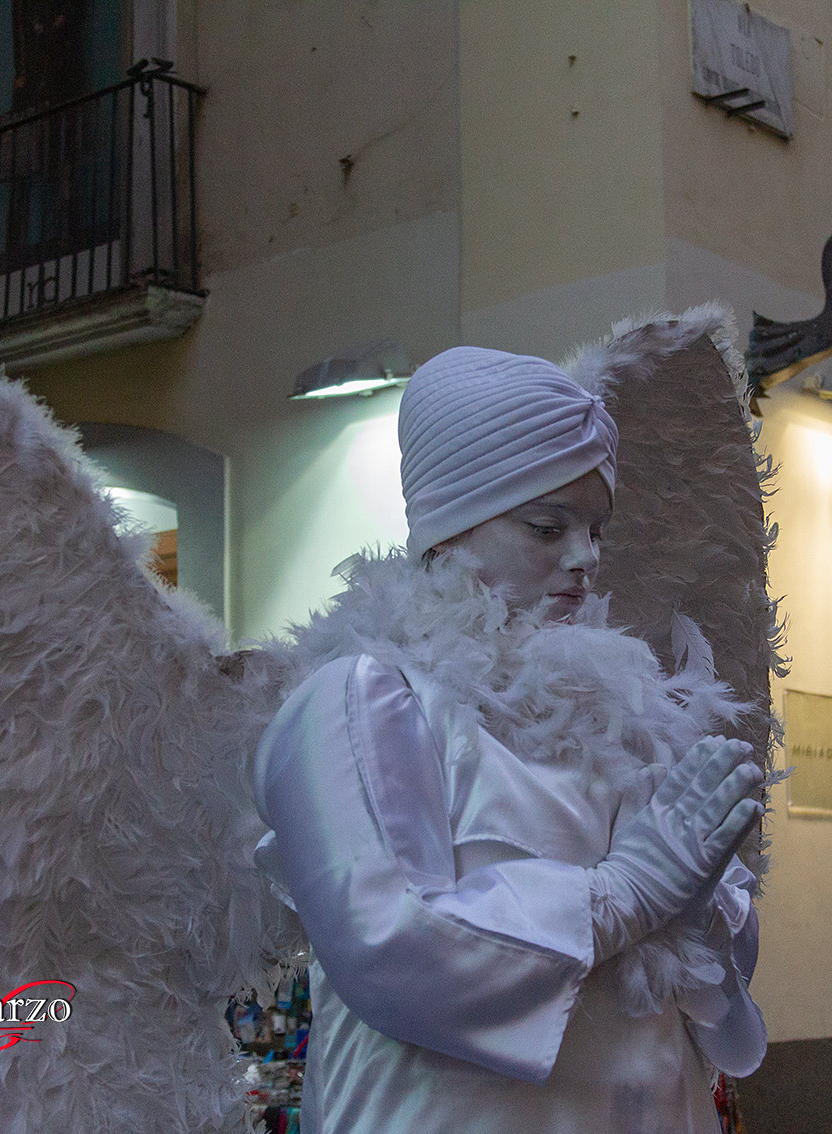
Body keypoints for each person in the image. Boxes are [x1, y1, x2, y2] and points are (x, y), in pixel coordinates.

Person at [252, 346, 768, 1134]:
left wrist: (703, 910)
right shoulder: (363, 701)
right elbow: (389, 943)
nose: (584, 559)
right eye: (545, 526)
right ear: (450, 530)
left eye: (594, 529)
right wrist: (617, 896)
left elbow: (689, 988)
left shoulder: (625, 716)